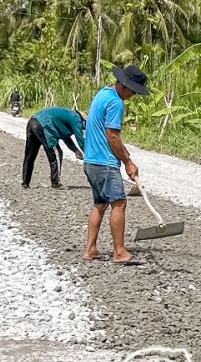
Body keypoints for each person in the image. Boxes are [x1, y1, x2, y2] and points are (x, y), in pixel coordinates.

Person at [82, 65, 149, 265]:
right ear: (125, 86)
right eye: (133, 91)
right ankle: (119, 252)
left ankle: (91, 249)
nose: (132, 96)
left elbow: (109, 136)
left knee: (100, 204)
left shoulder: (102, 94)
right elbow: (112, 136)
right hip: (104, 163)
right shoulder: (115, 102)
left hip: (91, 161)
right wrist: (127, 161)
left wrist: (127, 158)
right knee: (119, 202)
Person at [22, 106, 86, 189]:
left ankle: (25, 183)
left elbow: (66, 138)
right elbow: (80, 139)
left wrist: (76, 150)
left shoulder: (68, 116)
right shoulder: (76, 118)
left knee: (30, 155)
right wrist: (89, 155)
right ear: (84, 119)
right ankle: (56, 183)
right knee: (57, 153)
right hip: (44, 125)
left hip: (32, 122)